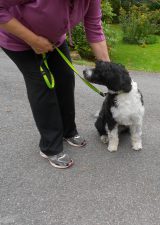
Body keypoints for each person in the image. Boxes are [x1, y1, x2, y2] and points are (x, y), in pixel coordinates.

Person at [0, 0, 110, 168]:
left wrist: (109, 73)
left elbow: (94, 29)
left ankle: (68, 131)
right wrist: (33, 40)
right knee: (43, 85)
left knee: (65, 78)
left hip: (54, 41)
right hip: (19, 42)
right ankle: (50, 147)